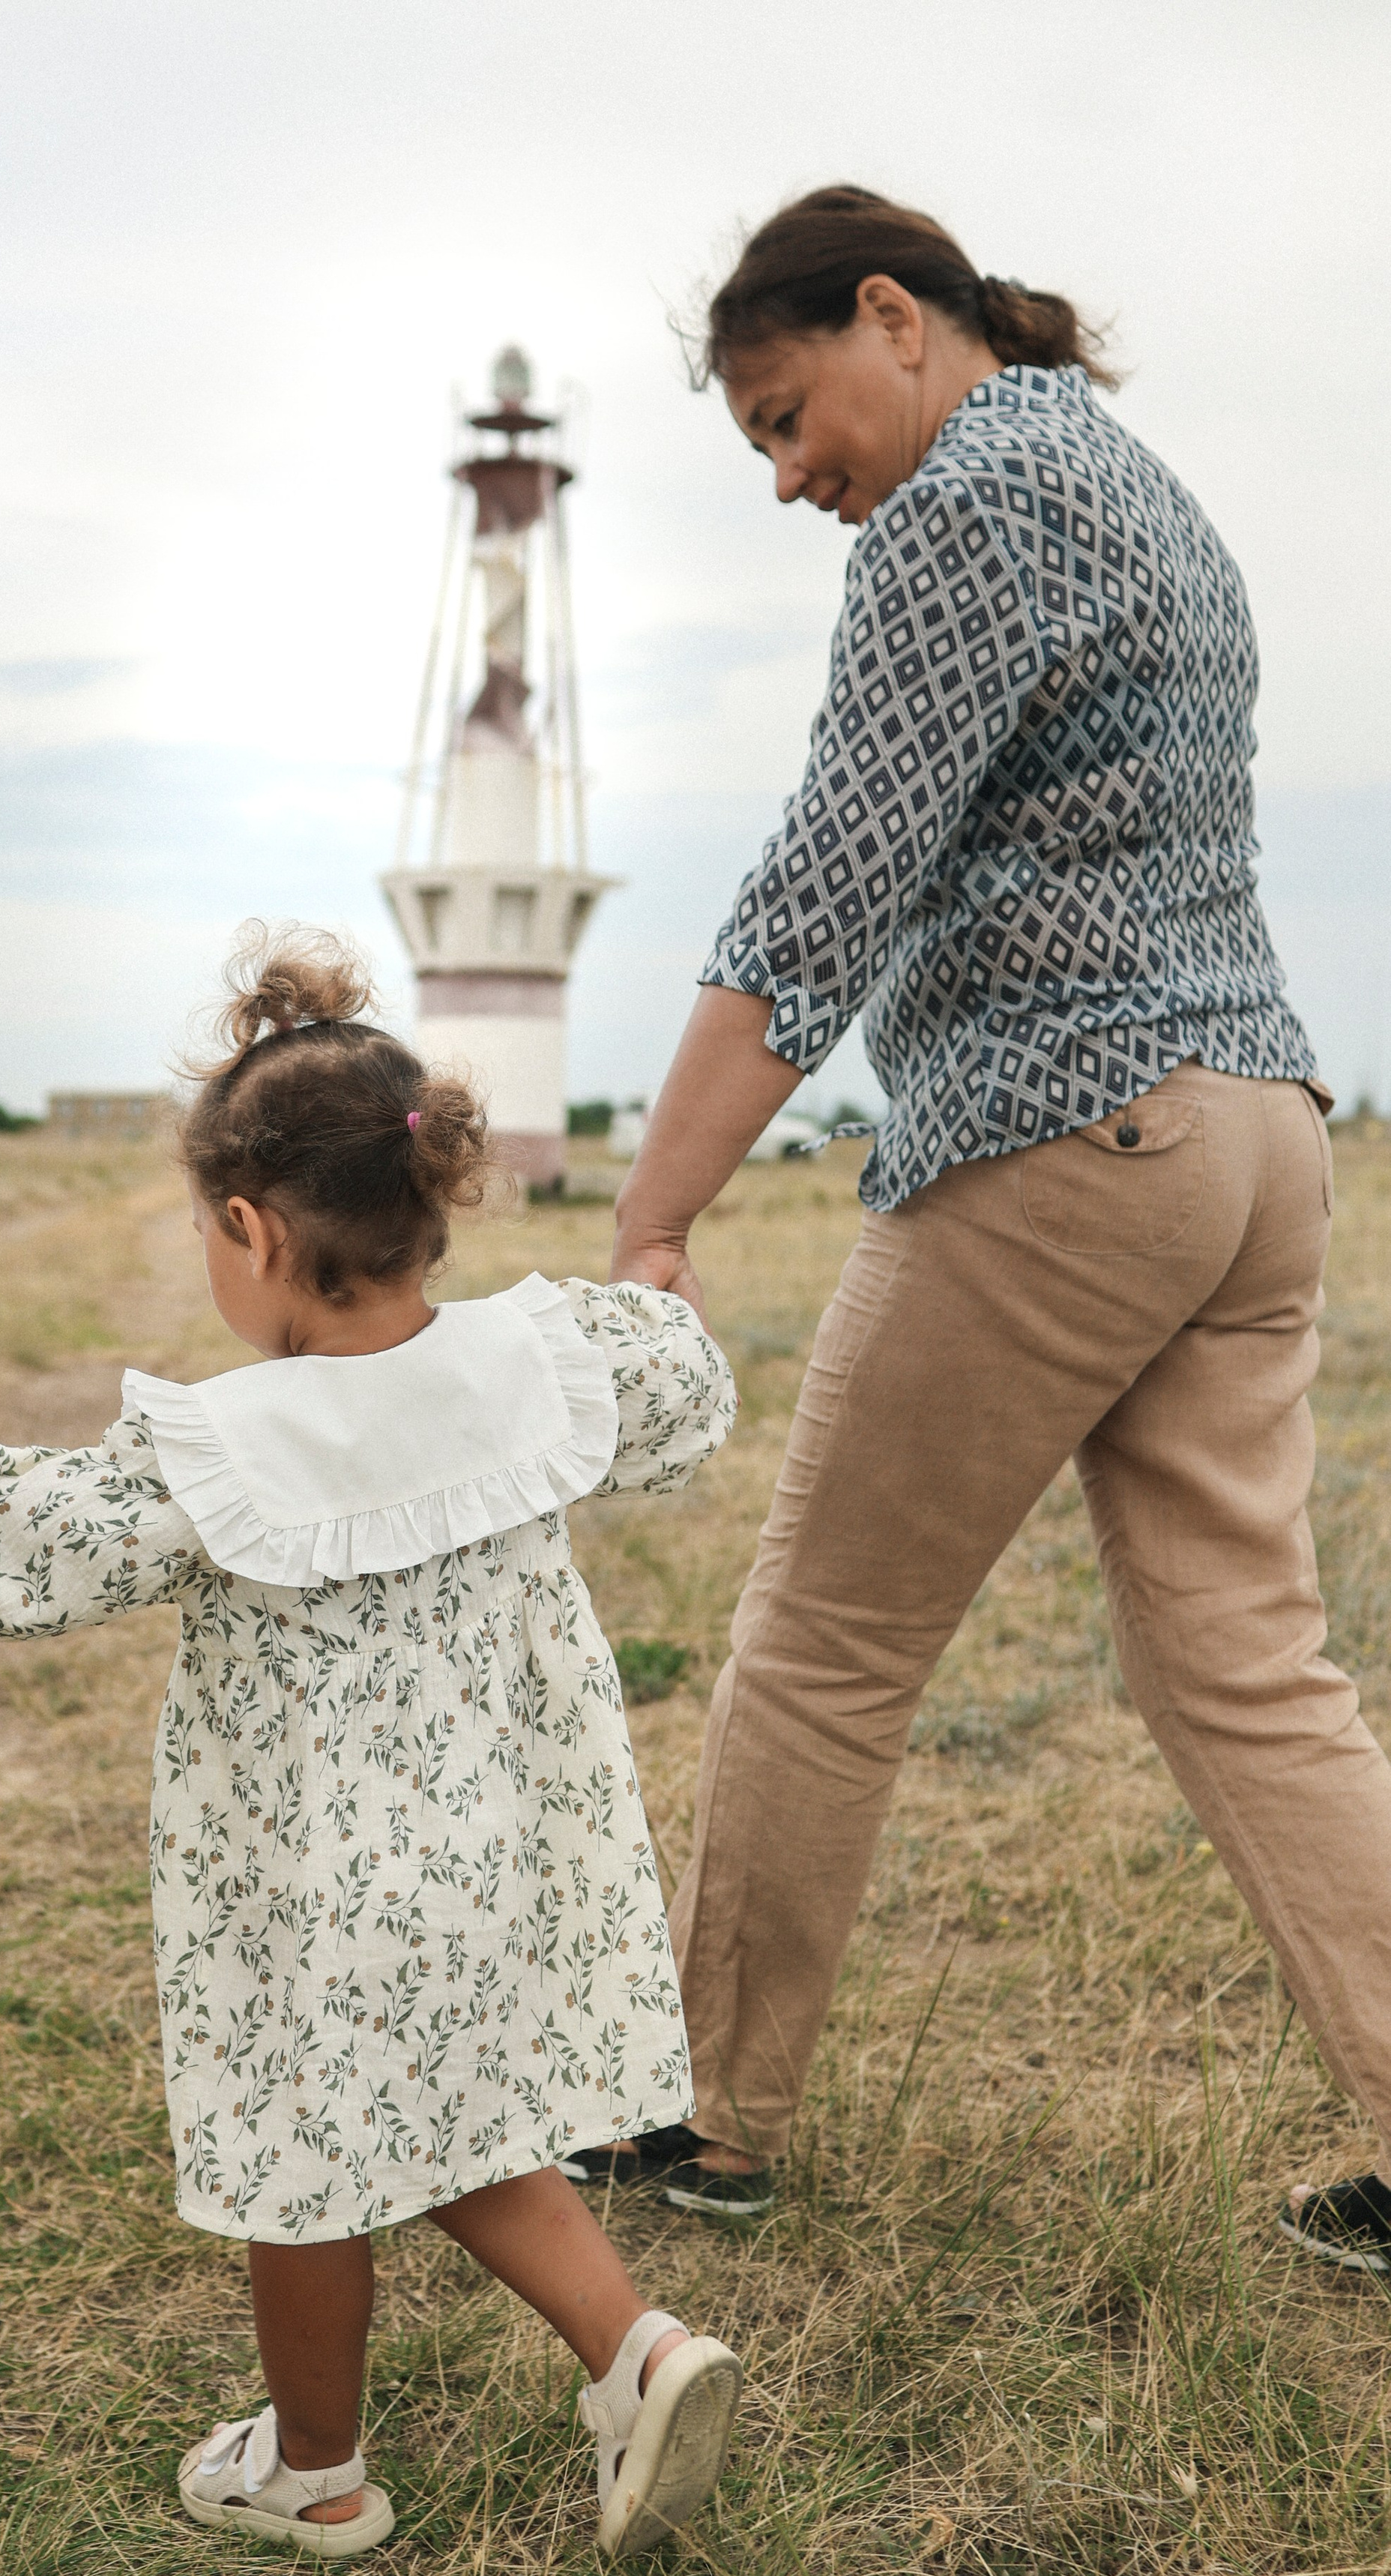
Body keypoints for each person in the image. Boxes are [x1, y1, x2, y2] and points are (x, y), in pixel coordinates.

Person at [573, 184, 1391, 2269]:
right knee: (1251, 1668)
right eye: (756, 446)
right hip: (1262, 1136)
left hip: (1066, 1129)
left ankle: (706, 2125)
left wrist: (652, 1218)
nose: (786, 477)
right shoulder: (1141, 486)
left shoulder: (973, 498)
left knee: (826, 1645)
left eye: (785, 414)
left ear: (893, 318)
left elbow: (827, 885)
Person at [0, 932, 745, 2561]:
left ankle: (317, 2475)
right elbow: (680, 1385)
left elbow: (13, 1551)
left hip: (316, 1897)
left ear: (247, 1226)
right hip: (514, 1854)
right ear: (432, 1197)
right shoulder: (543, 1358)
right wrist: (650, 1293)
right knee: (470, 2124)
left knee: (305, 2167)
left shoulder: (229, 1448)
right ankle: (638, 2352)